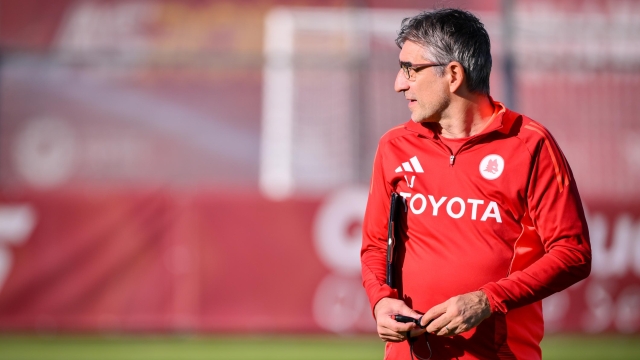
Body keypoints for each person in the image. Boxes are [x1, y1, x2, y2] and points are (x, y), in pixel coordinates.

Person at [360, 8, 591, 360]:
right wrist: (380, 300)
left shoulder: (530, 144)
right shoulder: (394, 145)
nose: (399, 82)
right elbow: (377, 245)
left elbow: (573, 253)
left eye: (410, 69)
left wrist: (486, 301)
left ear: (453, 74)